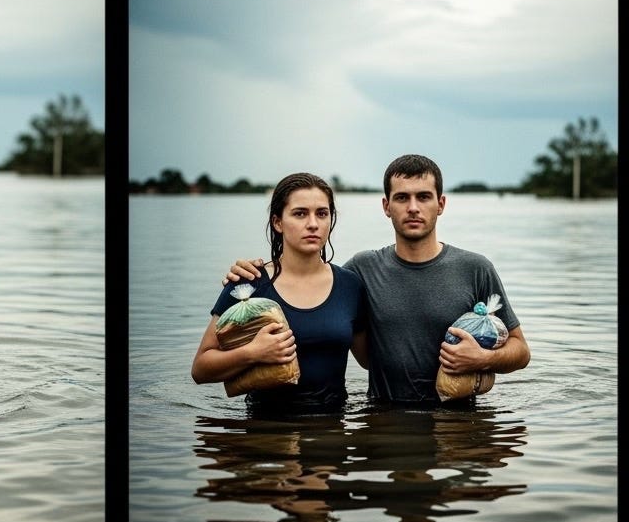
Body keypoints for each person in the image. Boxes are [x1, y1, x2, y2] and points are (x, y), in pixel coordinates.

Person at [223, 154, 530, 405]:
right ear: (386, 206)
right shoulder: (361, 270)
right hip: (382, 416)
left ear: (441, 204)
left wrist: (483, 358)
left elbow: (520, 351)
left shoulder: (475, 268)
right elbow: (307, 283)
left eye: (423, 196)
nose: (413, 207)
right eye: (401, 197)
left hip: (458, 420)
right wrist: (256, 272)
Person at [192, 172, 368, 413]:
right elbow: (200, 369)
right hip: (266, 430)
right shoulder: (249, 282)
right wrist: (252, 353)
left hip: (332, 429)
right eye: (300, 213)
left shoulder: (350, 285)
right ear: (278, 222)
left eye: (322, 213)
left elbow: (370, 360)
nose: (313, 224)